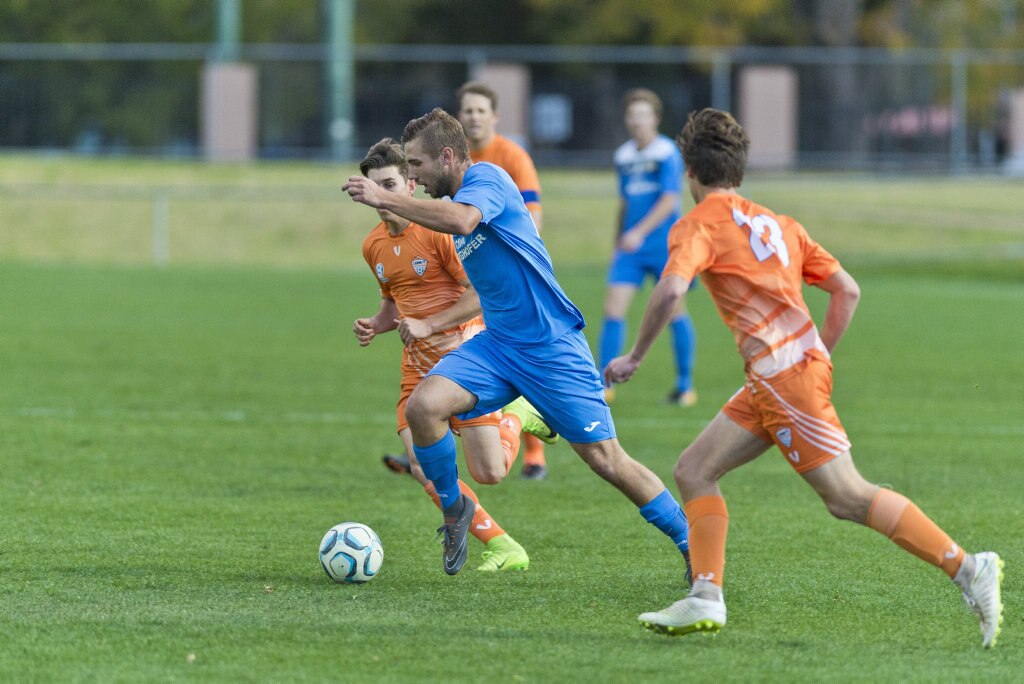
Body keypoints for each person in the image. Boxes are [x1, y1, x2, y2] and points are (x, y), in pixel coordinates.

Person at [605, 108, 1004, 647]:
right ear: (739, 171)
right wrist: (818, 355)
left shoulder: (697, 224)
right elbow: (848, 290)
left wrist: (633, 356)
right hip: (777, 376)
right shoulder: (780, 224)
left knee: (846, 497)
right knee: (695, 468)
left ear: (689, 170)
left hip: (783, 379)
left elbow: (673, 290)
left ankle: (968, 567)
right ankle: (704, 595)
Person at [343, 108, 692, 581]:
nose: (415, 178)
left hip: (551, 346)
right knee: (424, 408)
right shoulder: (425, 215)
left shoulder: (486, 179)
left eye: (419, 167)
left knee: (606, 460)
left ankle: (692, 543)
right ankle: (454, 513)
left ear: (447, 157)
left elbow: (464, 221)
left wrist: (384, 200)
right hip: (498, 345)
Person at [353, 137, 558, 573]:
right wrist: (377, 322)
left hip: (468, 364)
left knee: (490, 471)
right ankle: (501, 544)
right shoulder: (373, 246)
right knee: (422, 466)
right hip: (418, 371)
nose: (382, 199)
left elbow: (483, 294)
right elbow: (397, 303)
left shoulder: (438, 233)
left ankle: (518, 414)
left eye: (390, 185)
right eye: (375, 190)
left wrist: (431, 324)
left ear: (411, 184)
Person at [384, 81, 551, 480]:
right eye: (468, 110)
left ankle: (532, 453)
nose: (474, 117)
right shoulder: (445, 162)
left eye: (480, 110)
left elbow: (527, 215)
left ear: (494, 116)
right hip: (475, 266)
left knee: (517, 366)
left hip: (508, 279)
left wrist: (520, 258)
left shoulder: (507, 159)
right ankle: (437, 445)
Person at [599, 88, 697, 407]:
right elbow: (624, 202)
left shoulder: (667, 152)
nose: (637, 121)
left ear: (654, 119)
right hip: (630, 246)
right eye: (632, 115)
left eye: (643, 115)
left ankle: (684, 386)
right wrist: (619, 239)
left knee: (673, 310)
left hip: (663, 244)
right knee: (613, 308)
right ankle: (604, 383)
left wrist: (639, 232)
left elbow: (670, 199)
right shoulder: (623, 156)